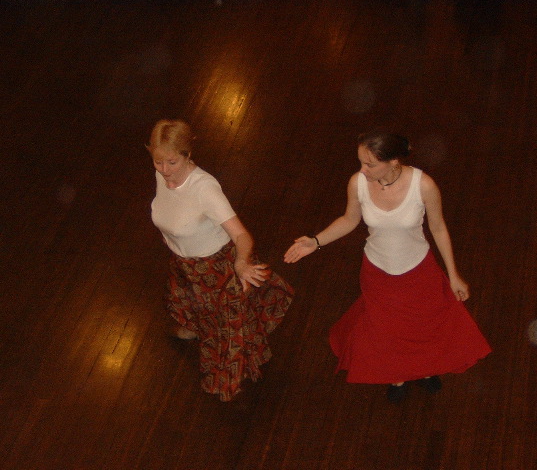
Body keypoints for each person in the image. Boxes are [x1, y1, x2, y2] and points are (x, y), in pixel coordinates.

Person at [284, 132, 491, 403]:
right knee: (387, 329)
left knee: (423, 327)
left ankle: (426, 370)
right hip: (377, 271)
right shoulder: (358, 183)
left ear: (393, 162)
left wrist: (453, 275)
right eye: (361, 162)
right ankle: (397, 375)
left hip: (418, 270)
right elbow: (349, 220)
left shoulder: (424, 185)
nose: (362, 170)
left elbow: (438, 228)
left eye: (370, 164)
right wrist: (315, 241)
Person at [148, 119, 294, 402]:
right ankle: (195, 327)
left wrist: (241, 263)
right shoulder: (162, 175)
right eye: (158, 162)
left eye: (172, 162)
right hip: (185, 265)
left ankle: (228, 378)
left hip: (215, 269)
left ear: (188, 155)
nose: (165, 170)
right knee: (191, 306)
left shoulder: (205, 189)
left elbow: (241, 235)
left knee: (223, 331)